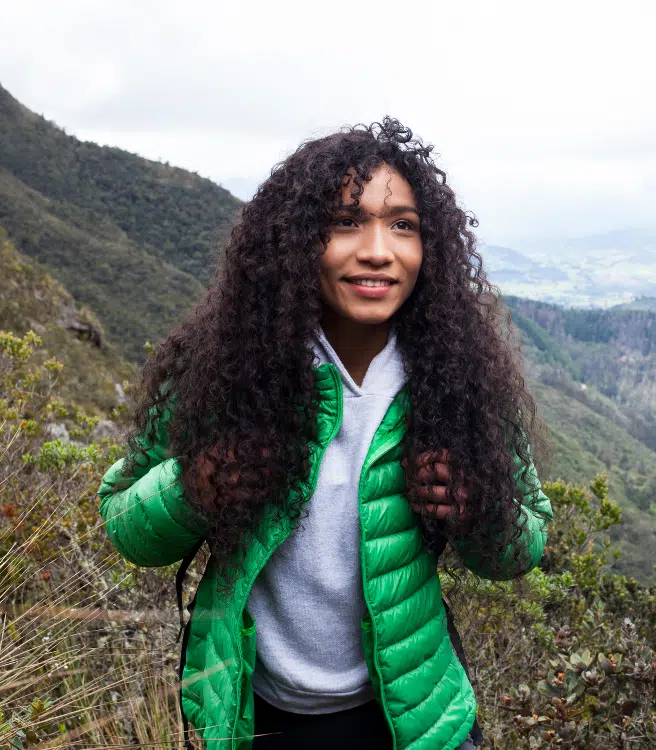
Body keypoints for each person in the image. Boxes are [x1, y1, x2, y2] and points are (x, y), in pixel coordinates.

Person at [98, 118, 552, 750]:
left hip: (411, 719)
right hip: (254, 718)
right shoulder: (226, 368)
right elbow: (124, 520)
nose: (378, 250)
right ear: (297, 242)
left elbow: (523, 542)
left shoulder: (456, 380)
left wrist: (478, 511)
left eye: (403, 225)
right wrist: (195, 486)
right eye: (345, 222)